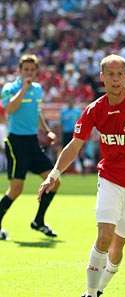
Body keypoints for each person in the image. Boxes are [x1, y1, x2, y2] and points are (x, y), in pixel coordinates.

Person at [38, 54, 125, 297]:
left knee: (117, 247)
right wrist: (54, 174)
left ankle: (100, 289)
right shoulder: (94, 110)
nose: (115, 79)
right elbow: (74, 144)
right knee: (104, 236)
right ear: (102, 77)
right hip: (110, 179)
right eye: (110, 74)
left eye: (119, 74)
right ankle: (90, 293)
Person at [0, 54, 59, 240]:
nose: (29, 73)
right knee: (16, 189)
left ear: (36, 72)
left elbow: (37, 112)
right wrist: (23, 89)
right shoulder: (10, 88)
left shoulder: (38, 89)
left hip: (32, 142)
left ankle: (38, 222)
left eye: (32, 70)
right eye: (26, 69)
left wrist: (47, 130)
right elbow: (9, 110)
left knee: (54, 181)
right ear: (19, 70)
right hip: (16, 142)